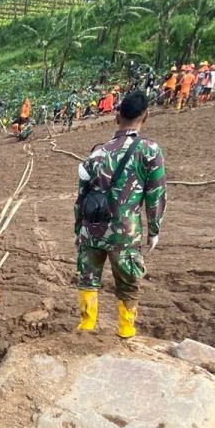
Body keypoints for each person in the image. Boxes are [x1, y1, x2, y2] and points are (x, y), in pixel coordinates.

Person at [74, 91, 167, 339]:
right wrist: (154, 230)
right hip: (124, 232)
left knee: (88, 278)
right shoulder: (149, 151)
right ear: (145, 116)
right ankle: (126, 329)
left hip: (91, 229)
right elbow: (155, 194)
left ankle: (87, 325)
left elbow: (81, 198)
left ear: (117, 117)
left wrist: (78, 231)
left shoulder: (96, 154)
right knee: (128, 282)